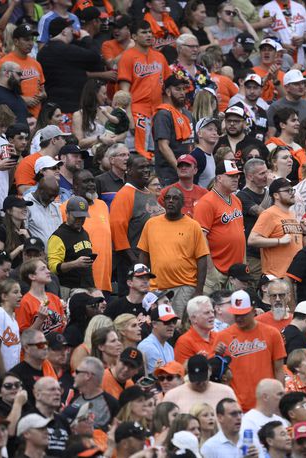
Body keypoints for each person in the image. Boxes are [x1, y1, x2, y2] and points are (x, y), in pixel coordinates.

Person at [137, 186, 208, 315]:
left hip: (184, 287)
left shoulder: (193, 226)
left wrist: (199, 290)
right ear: (163, 202)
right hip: (156, 288)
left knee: (180, 327)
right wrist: (143, 282)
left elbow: (202, 259)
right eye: (167, 198)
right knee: (159, 325)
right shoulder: (151, 224)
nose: (170, 201)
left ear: (183, 203)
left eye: (175, 198)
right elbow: (144, 255)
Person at [216, 290, 286, 411]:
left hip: (267, 403)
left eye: (243, 314)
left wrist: (280, 399)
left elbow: (279, 369)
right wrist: (217, 356)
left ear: (253, 311)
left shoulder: (272, 333)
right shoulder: (222, 337)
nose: (239, 318)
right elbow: (217, 374)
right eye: (236, 314)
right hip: (237, 405)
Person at [110, 155, 165, 293]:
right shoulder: (124, 195)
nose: (146, 170)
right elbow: (118, 233)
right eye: (141, 167)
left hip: (155, 260)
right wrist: (136, 262)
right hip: (134, 264)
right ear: (128, 170)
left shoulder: (148, 192)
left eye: (148, 167)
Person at [117, 19, 171, 159]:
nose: (149, 35)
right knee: (137, 154)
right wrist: (129, 117)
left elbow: (168, 88)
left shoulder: (159, 57)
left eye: (150, 32)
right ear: (134, 36)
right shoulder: (127, 57)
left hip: (157, 111)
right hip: (137, 111)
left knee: (157, 153)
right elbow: (124, 92)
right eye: (144, 32)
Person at [193, 160, 246, 294]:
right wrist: (211, 270)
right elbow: (200, 239)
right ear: (219, 178)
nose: (236, 179)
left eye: (237, 176)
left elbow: (241, 235)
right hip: (216, 270)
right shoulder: (206, 202)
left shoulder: (236, 200)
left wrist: (243, 265)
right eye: (231, 176)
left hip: (235, 271)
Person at [249, 178, 303, 278]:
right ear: (276, 195)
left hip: (293, 276)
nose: (292, 193)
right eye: (287, 190)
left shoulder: (292, 214)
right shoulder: (269, 214)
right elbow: (252, 240)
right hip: (276, 277)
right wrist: (279, 241)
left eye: (292, 190)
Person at [46, 196, 96, 292]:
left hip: (87, 286)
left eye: (82, 217)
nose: (79, 220)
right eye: (76, 217)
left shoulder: (84, 233)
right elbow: (52, 268)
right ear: (67, 213)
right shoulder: (58, 236)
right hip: (68, 288)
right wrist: (75, 264)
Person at [137, 303, 178, 374]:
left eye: (174, 322)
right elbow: (161, 377)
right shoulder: (147, 346)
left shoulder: (169, 347)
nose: (171, 325)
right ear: (154, 324)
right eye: (167, 322)